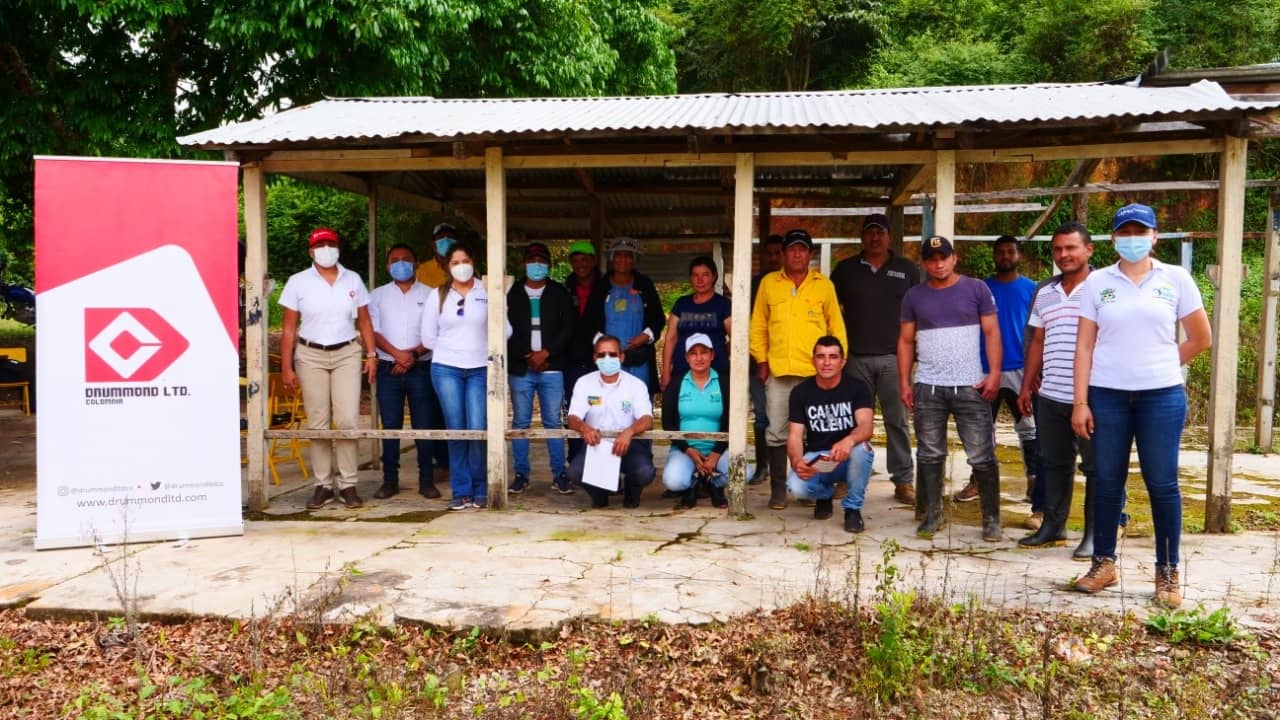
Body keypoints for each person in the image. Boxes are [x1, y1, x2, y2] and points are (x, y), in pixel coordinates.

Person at [1071, 203, 1211, 608]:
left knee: (1162, 482)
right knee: (1107, 481)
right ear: (1113, 239)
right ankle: (1103, 563)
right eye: (1125, 232)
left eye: (1141, 231)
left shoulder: (1176, 279)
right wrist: (1081, 401)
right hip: (1108, 394)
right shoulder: (1098, 283)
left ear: (1155, 237)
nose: (1133, 239)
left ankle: (1167, 572)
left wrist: (1164, 364)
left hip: (1161, 396)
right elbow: (1084, 344)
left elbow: (1201, 337)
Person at [898, 235, 1003, 541]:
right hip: (929, 386)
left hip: (971, 384)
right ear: (924, 263)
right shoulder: (914, 296)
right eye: (931, 259)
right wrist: (905, 381)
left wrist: (994, 372)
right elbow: (905, 341)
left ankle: (991, 519)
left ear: (954, 258)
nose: (938, 263)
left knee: (982, 454)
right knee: (930, 453)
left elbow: (992, 332)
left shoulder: (976, 288)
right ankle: (932, 514)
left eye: (944, 257)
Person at [278, 227, 377, 510]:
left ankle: (348, 484)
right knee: (318, 422)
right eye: (320, 246)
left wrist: (371, 355)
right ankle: (322, 484)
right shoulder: (298, 282)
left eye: (330, 244)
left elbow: (365, 321)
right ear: (311, 251)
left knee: (348, 420)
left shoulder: (353, 279)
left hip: (346, 352)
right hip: (310, 355)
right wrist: (287, 366)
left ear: (338, 247)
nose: (326, 249)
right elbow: (288, 329)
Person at [1016, 223, 1100, 552]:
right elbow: (1037, 340)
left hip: (1093, 395)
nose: (1063, 255)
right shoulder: (1045, 291)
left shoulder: (1103, 286)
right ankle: (1053, 526)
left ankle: (1095, 535)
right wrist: (1026, 387)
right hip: (1050, 394)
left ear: (1088, 250)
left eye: (1071, 248)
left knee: (1096, 466)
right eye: (1058, 249)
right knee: (1053, 462)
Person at [749, 228, 847, 510]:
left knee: (814, 432)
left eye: (802, 249)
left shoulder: (823, 285)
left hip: (813, 374)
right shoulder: (769, 283)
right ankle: (778, 489)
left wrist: (836, 364)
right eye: (791, 248)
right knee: (777, 431)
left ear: (810, 254)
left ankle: (808, 487)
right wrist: (762, 361)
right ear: (784, 253)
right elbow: (758, 326)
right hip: (778, 372)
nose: (796, 253)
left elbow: (836, 327)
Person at [830, 212, 919, 508]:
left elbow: (917, 314)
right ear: (862, 237)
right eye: (869, 232)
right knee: (850, 421)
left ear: (889, 237)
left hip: (895, 359)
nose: (875, 237)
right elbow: (831, 310)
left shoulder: (906, 270)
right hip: (855, 358)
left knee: (897, 420)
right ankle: (844, 476)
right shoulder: (845, 270)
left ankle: (903, 480)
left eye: (880, 232)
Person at [954, 237, 1043, 524]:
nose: (1005, 256)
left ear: (1019, 255)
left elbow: (1041, 332)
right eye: (1000, 252)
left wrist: (1037, 368)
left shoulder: (1033, 289)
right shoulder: (982, 289)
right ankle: (978, 481)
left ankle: (1034, 480)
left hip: (1021, 368)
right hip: (986, 368)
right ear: (993, 256)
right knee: (981, 428)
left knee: (1028, 427)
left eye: (1010, 251)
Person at [421, 243, 511, 511]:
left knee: (477, 429)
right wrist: (453, 350)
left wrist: (500, 311)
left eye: (466, 260)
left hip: (480, 368)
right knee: (456, 429)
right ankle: (461, 492)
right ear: (448, 267)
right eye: (455, 262)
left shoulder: (488, 292)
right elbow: (427, 337)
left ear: (474, 263)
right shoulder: (437, 295)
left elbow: (504, 333)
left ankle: (481, 488)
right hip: (446, 368)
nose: (461, 266)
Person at [368, 243, 441, 500]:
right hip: (389, 369)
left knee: (424, 425)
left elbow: (435, 332)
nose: (400, 264)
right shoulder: (376, 295)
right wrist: (398, 355)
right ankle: (390, 481)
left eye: (406, 259)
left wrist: (411, 355)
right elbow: (373, 332)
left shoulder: (432, 294)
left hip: (420, 367)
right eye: (395, 260)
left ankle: (426, 481)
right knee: (391, 427)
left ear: (416, 264)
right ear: (387, 266)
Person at [786, 336, 876, 533]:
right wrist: (796, 461)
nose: (826, 362)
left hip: (847, 456)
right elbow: (794, 435)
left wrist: (848, 441)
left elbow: (866, 427)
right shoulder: (800, 392)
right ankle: (825, 495)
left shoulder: (857, 387)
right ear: (813, 360)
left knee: (863, 449)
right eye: (821, 357)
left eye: (833, 357)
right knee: (795, 485)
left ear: (842, 361)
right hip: (818, 458)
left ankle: (852, 509)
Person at [507, 242, 572, 494]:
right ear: (524, 263)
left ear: (549, 264)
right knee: (521, 422)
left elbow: (568, 328)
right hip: (521, 368)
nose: (537, 264)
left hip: (552, 367)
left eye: (541, 259)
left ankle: (560, 474)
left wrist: (546, 353)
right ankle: (521, 474)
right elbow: (505, 329)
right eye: (532, 259)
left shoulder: (559, 292)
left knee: (552, 422)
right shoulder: (511, 293)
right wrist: (528, 356)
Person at [566, 335, 656, 509]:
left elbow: (647, 419)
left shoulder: (636, 385)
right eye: (602, 355)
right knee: (574, 472)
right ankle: (600, 493)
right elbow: (572, 418)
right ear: (594, 358)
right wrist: (584, 428)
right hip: (596, 444)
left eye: (612, 354)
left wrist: (629, 432)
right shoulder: (584, 383)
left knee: (645, 472)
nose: (607, 359)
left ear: (621, 357)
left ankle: (632, 489)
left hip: (628, 443)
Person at [661, 333, 730, 509]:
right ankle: (691, 484)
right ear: (686, 357)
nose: (699, 358)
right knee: (673, 481)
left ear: (712, 355)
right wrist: (688, 450)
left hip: (718, 451)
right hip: (685, 450)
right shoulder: (676, 384)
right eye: (693, 353)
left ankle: (715, 484)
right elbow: (668, 424)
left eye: (704, 352)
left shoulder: (725, 383)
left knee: (743, 473)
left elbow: (731, 422)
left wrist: (715, 454)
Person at [587, 237, 665, 394]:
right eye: (618, 255)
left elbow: (658, 318)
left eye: (628, 256)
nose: (623, 260)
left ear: (634, 260)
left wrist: (645, 336)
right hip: (609, 359)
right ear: (612, 259)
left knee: (639, 402)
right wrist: (603, 346)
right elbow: (589, 322)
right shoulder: (601, 286)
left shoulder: (644, 284)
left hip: (639, 359)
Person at [562, 240, 604, 473]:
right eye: (576, 261)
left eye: (585, 259)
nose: (581, 265)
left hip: (600, 360)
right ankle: (576, 459)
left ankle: (602, 461)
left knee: (600, 409)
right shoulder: (565, 288)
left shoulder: (605, 286)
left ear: (593, 261)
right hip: (572, 361)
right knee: (575, 411)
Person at [660, 256, 731, 392]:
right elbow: (670, 339)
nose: (700, 280)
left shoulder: (723, 304)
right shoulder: (682, 303)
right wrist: (666, 371)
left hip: (716, 371)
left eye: (705, 275)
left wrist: (719, 350)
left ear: (714, 276)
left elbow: (736, 338)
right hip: (682, 369)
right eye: (695, 275)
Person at [748, 234, 784, 485]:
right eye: (768, 253)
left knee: (793, 417)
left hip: (788, 362)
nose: (773, 257)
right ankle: (763, 465)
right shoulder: (752, 285)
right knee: (762, 415)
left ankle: (795, 470)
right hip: (757, 362)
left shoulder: (794, 283)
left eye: (777, 253)